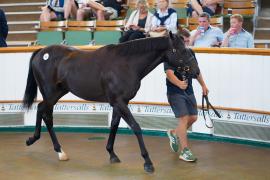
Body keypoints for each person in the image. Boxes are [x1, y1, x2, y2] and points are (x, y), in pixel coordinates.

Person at [165, 29, 209, 162]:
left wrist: (203, 85)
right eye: (184, 41)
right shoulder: (169, 54)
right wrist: (179, 83)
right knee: (184, 119)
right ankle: (185, 151)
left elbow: (196, 71)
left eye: (188, 40)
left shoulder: (190, 52)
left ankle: (174, 132)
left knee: (194, 117)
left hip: (189, 91)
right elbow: (169, 73)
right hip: (175, 92)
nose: (187, 43)